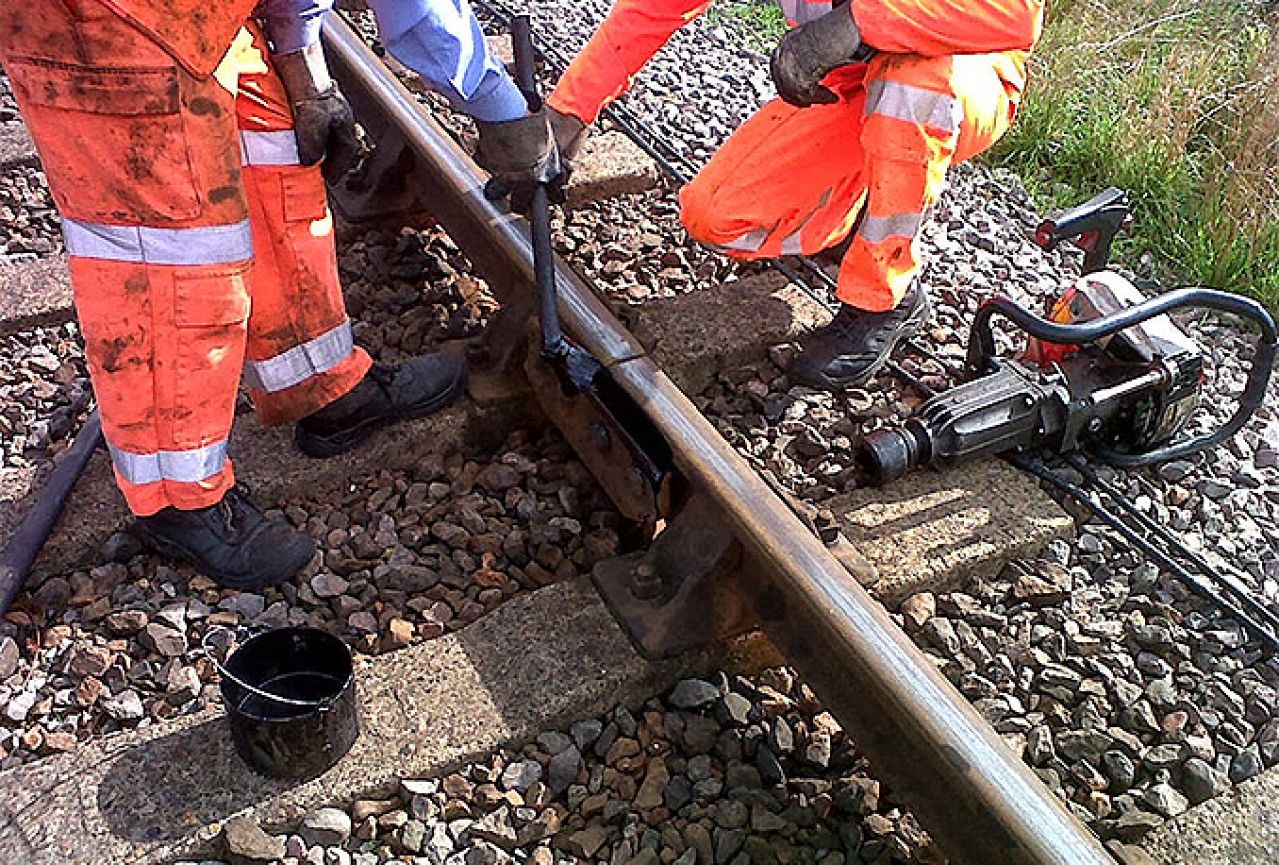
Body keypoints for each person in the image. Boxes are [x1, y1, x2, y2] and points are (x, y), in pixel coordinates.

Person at [0, 0, 558, 590]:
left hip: (199, 18)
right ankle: (176, 499)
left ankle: (323, 388)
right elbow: (415, 14)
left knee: (273, 154)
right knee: (176, 255)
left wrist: (300, 62)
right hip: (98, 26)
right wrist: (498, 107)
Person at [547, 0, 1044, 390]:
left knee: (912, 90)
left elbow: (1015, 13)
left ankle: (885, 295)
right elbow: (656, 7)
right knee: (715, 216)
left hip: (957, 80)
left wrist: (860, 20)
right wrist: (574, 105)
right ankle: (853, 226)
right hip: (849, 88)